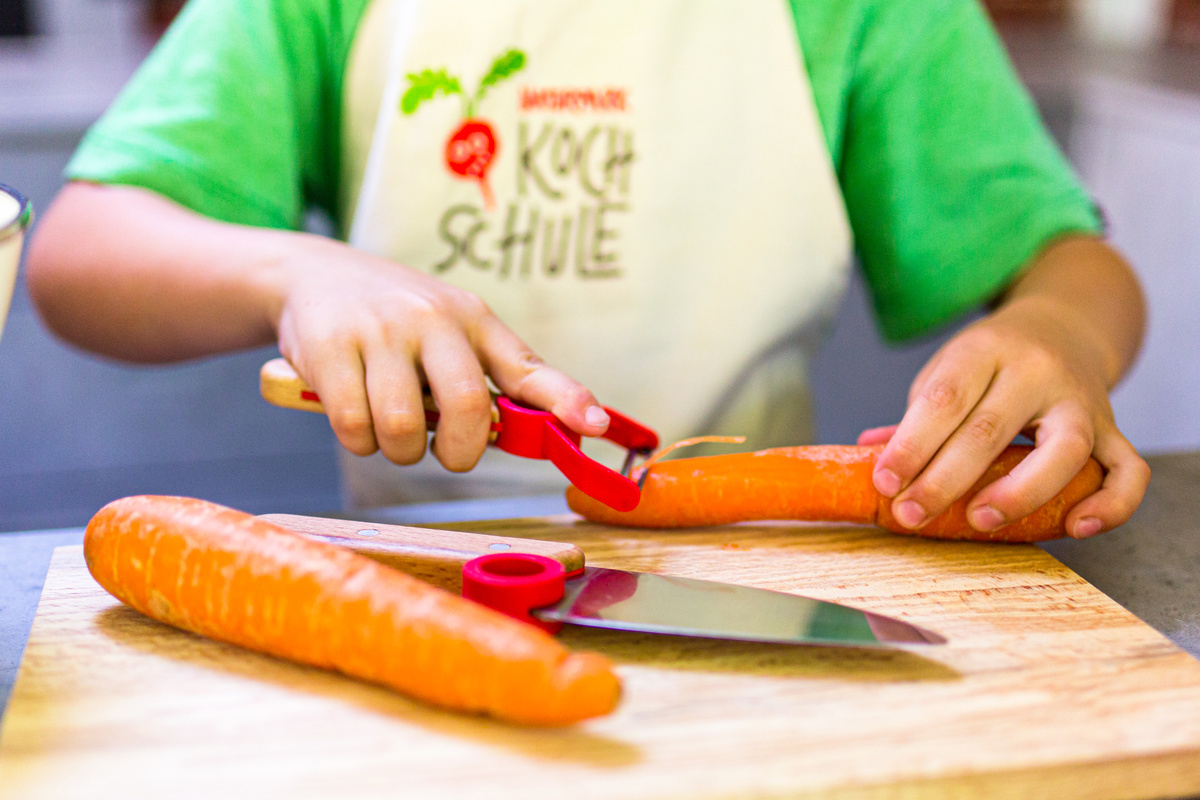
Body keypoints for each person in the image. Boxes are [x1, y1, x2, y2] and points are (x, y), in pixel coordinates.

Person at [25, 0, 1149, 538]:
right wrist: (300, 272)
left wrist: (1062, 335)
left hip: (767, 574)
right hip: (415, 567)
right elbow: (81, 249)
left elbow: (1074, 262)